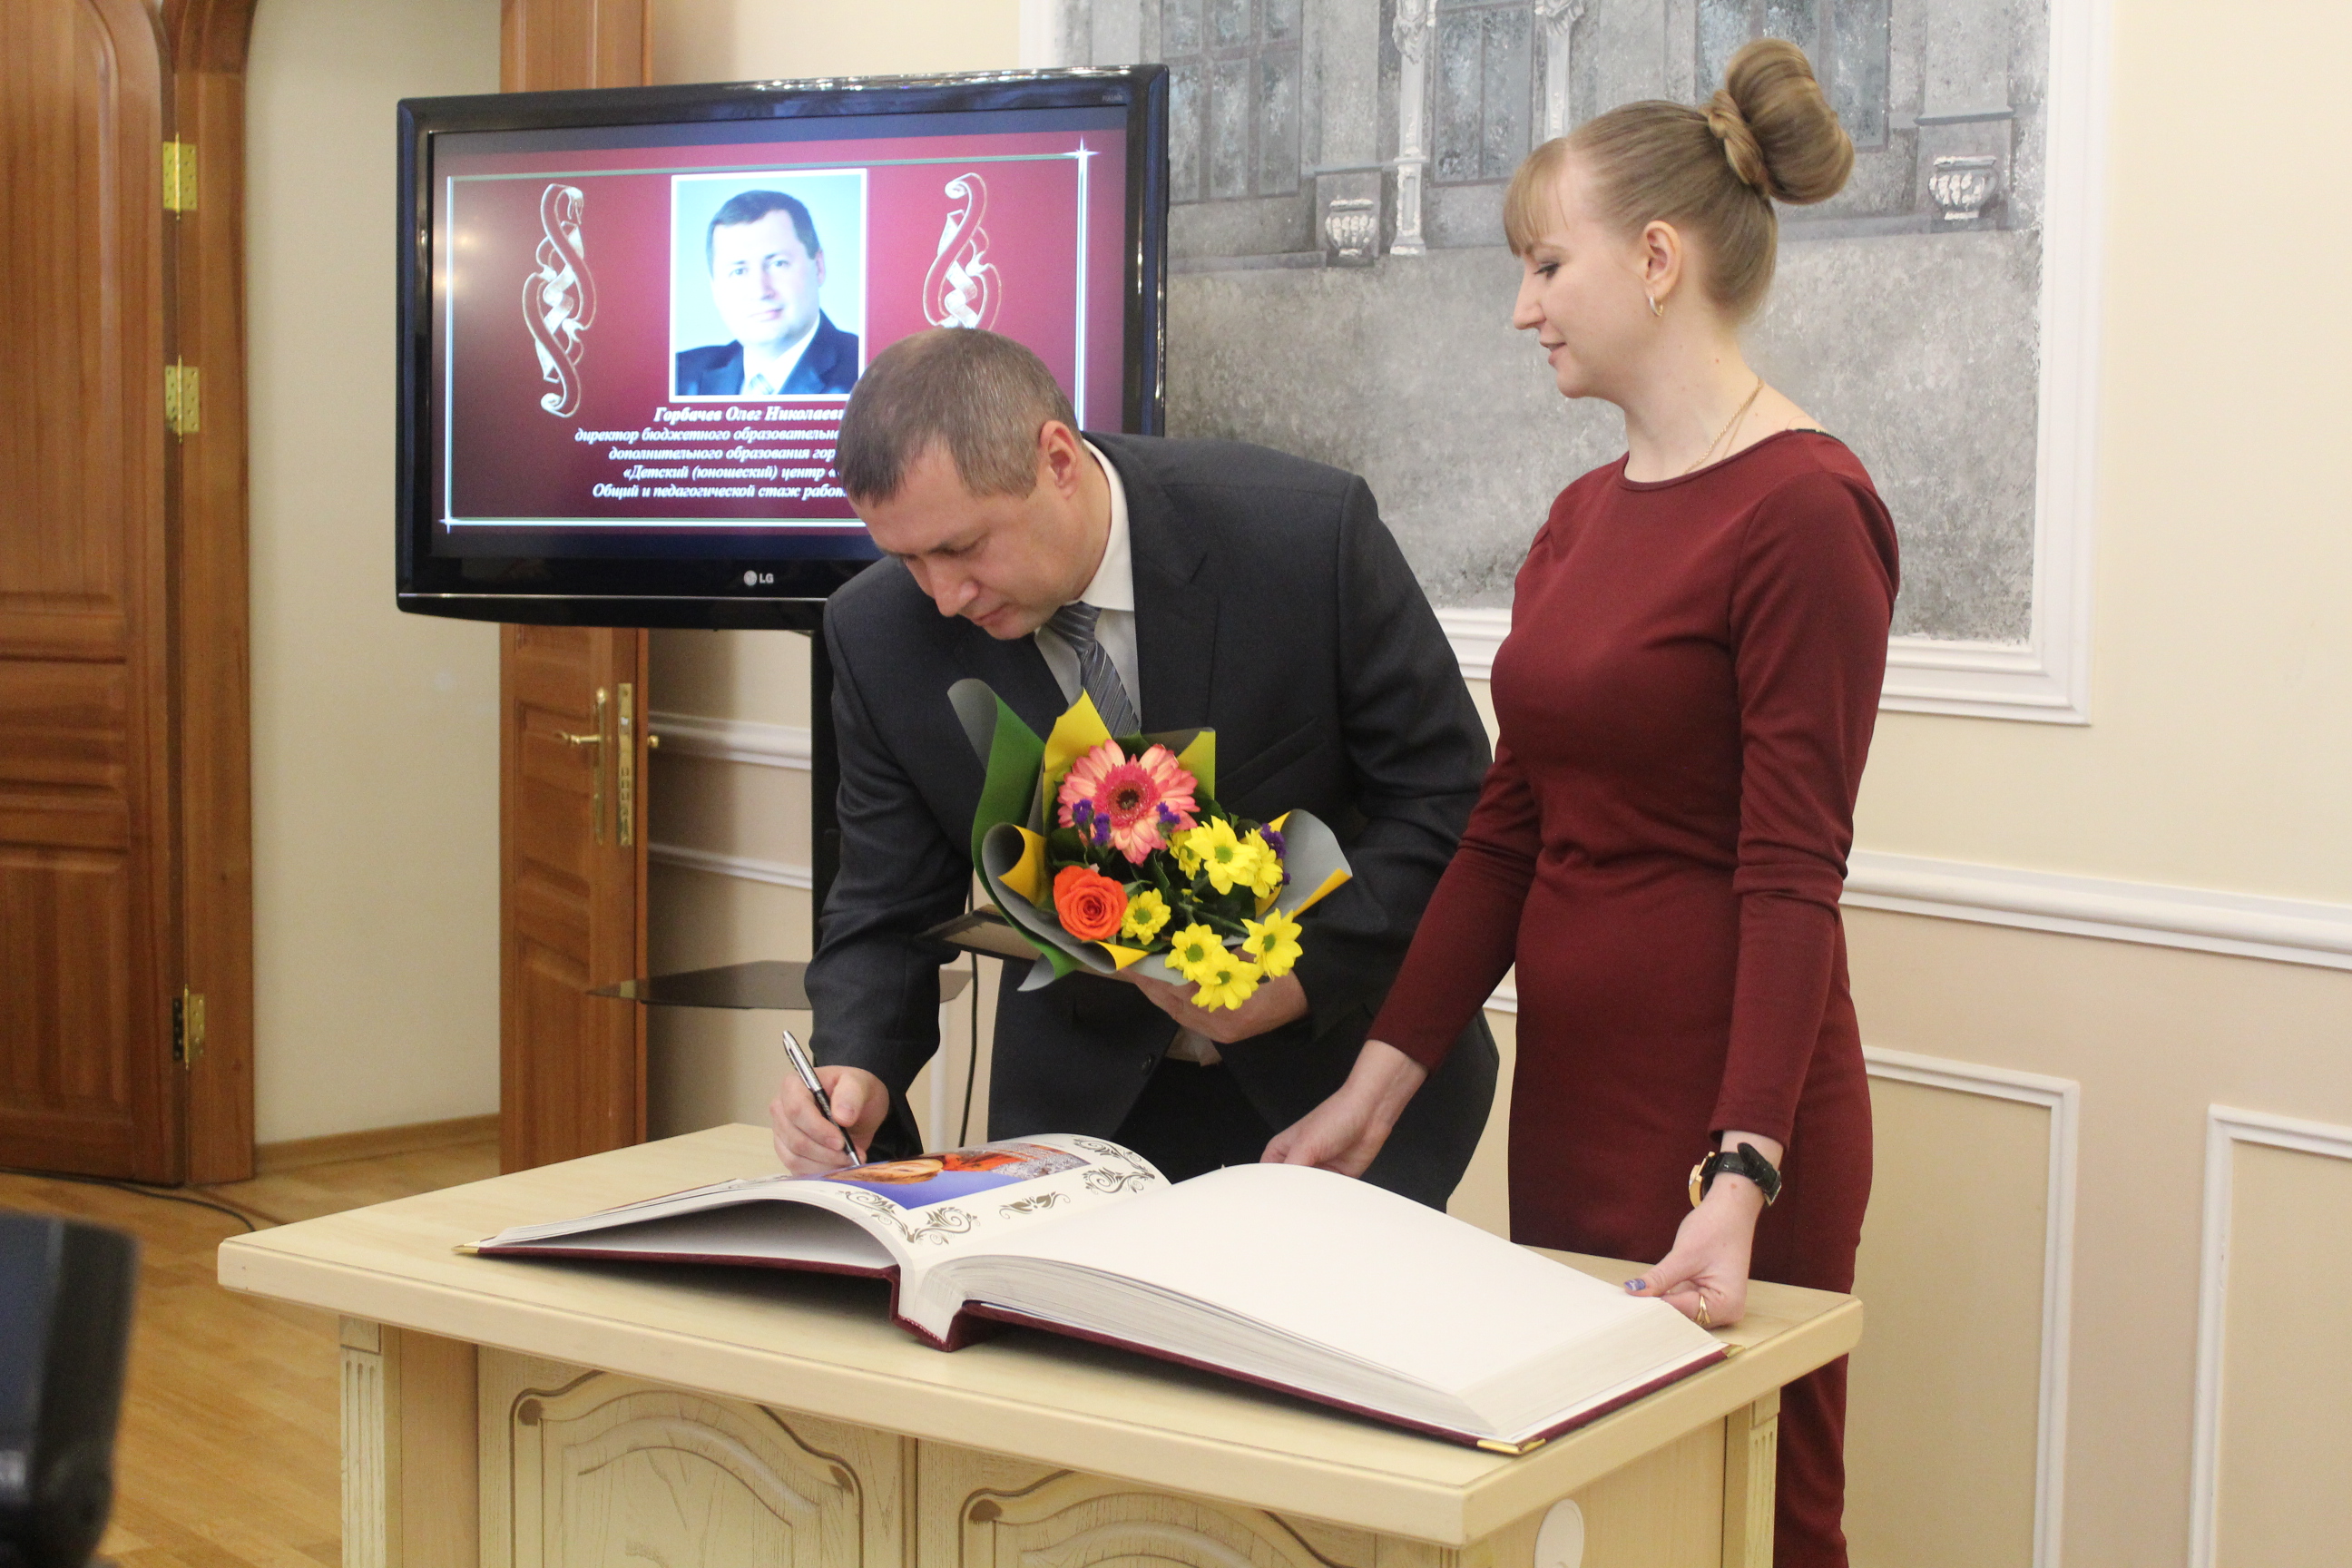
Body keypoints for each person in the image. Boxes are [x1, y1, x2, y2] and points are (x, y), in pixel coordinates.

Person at [1262, 40, 1895, 1568]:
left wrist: (1742, 1171)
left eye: (1547, 264)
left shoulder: (1806, 510)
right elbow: (1508, 829)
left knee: (1755, 1512)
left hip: (1729, 1108)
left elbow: (1791, 871)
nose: (1522, 305)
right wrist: (1378, 1083)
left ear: (1657, 260)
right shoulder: (1579, 517)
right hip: (1576, 1089)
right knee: (1590, 1517)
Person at [769, 328, 1499, 1207]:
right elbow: (883, 901)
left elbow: (1448, 806)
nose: (943, 596)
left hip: (1334, 1091)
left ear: (1057, 460)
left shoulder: (1303, 534)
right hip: (1078, 1129)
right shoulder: (880, 633)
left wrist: (1301, 973)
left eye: (962, 548)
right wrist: (856, 1065)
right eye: (907, 558)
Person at [674, 190, 859, 397]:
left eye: (778, 264)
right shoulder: (679, 376)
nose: (760, 291)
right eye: (739, 271)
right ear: (715, 288)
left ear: (818, 267)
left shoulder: (870, 372)